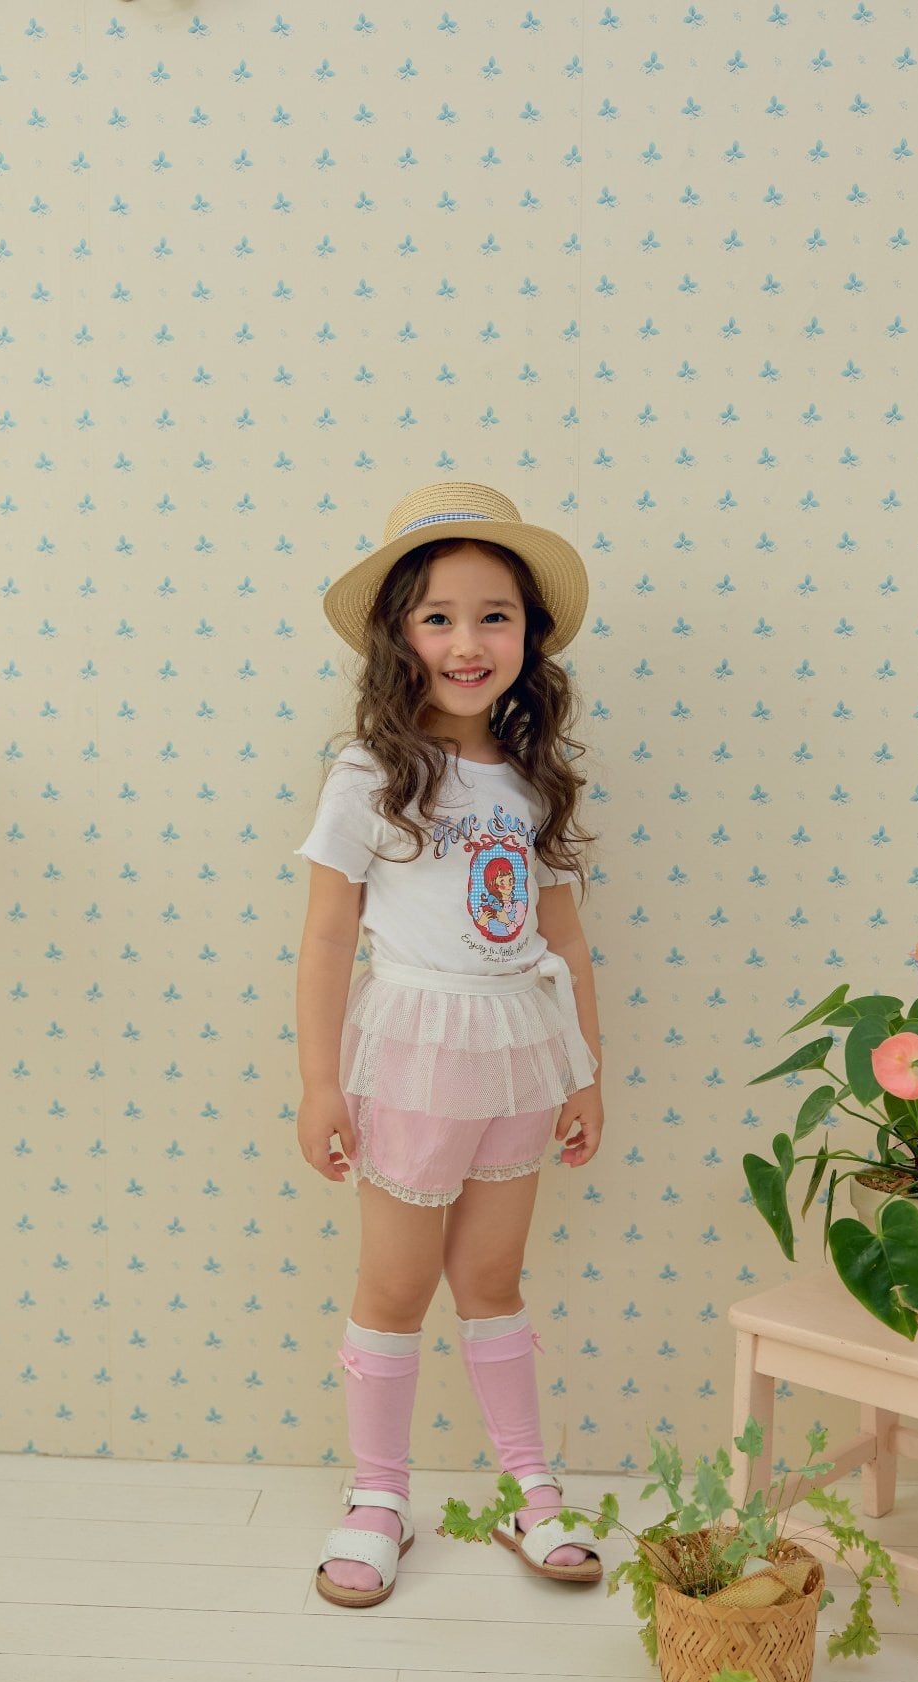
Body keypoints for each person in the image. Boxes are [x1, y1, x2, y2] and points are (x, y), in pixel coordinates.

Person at [293, 480, 606, 1607]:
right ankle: (378, 1495)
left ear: (528, 634)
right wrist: (319, 1085)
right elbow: (328, 938)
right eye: (439, 616)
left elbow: (564, 938)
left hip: (520, 1051)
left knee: (491, 1277)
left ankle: (530, 1483)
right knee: (395, 1283)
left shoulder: (534, 781)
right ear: (399, 636)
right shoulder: (371, 775)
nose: (468, 642)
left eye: (493, 616)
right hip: (415, 1051)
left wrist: (585, 1074)